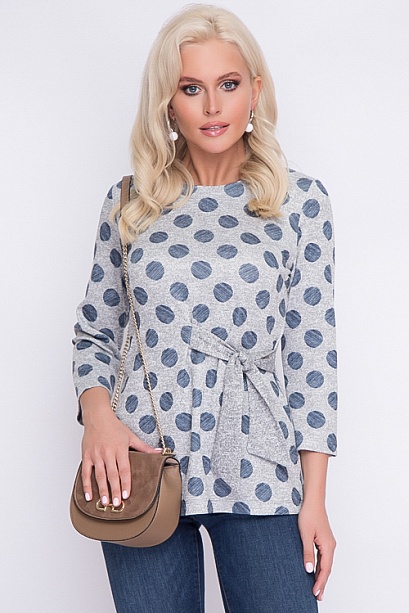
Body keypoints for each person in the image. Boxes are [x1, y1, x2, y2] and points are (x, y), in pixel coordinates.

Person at [72, 4, 337, 612]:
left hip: (258, 461)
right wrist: (99, 420)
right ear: (168, 102)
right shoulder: (130, 200)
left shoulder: (301, 203)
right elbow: (95, 332)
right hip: (140, 459)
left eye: (228, 84)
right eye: (191, 88)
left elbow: (312, 357)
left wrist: (315, 500)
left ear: (255, 91)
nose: (212, 106)